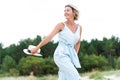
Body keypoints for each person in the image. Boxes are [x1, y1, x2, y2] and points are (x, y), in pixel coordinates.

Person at [31, 4, 82, 80]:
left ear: (74, 13)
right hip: (60, 54)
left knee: (64, 77)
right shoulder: (61, 25)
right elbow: (49, 37)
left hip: (70, 56)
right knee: (75, 77)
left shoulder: (79, 27)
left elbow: (78, 42)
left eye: (67, 10)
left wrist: (74, 56)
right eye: (64, 11)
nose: (65, 12)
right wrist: (37, 48)